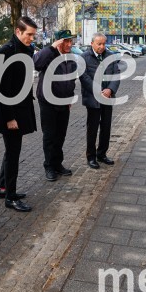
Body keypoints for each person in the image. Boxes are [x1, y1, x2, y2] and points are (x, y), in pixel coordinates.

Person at [0, 17, 38, 212]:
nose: (31, 38)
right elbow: (1, 90)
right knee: (13, 153)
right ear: (18, 31)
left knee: (11, 151)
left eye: (33, 35)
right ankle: (10, 196)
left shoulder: (26, 50)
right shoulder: (6, 52)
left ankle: (3, 188)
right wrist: (9, 117)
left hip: (21, 108)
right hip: (10, 113)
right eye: (28, 34)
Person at [34, 29, 78, 182]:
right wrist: (51, 47)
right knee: (50, 136)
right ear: (59, 42)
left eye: (70, 41)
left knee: (61, 135)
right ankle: (49, 166)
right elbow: (37, 64)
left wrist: (70, 97)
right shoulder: (49, 56)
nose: (69, 44)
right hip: (48, 102)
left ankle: (58, 163)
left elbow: (71, 79)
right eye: (66, 41)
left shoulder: (71, 58)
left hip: (64, 102)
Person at [80, 33, 120, 169]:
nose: (102, 46)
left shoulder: (110, 56)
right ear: (92, 43)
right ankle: (91, 157)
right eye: (99, 44)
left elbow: (116, 75)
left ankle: (102, 154)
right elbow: (84, 77)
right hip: (93, 99)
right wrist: (97, 91)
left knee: (106, 127)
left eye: (104, 43)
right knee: (92, 128)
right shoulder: (84, 58)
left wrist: (110, 90)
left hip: (107, 98)